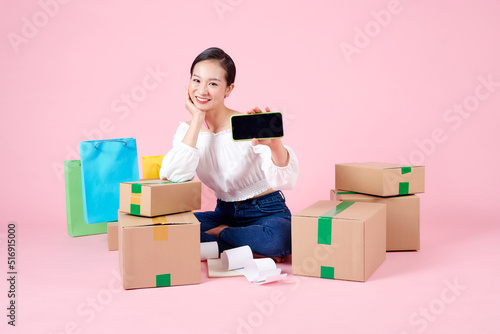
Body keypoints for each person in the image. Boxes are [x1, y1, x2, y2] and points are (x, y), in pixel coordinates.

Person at [159, 47, 299, 262]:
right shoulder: (185, 132)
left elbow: (286, 180)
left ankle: (225, 238)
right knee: (172, 228)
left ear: (228, 89)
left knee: (278, 238)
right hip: (224, 213)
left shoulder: (246, 124)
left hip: (266, 211)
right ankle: (251, 249)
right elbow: (175, 175)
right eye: (196, 81)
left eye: (213, 83)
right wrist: (197, 118)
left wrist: (275, 145)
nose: (202, 91)